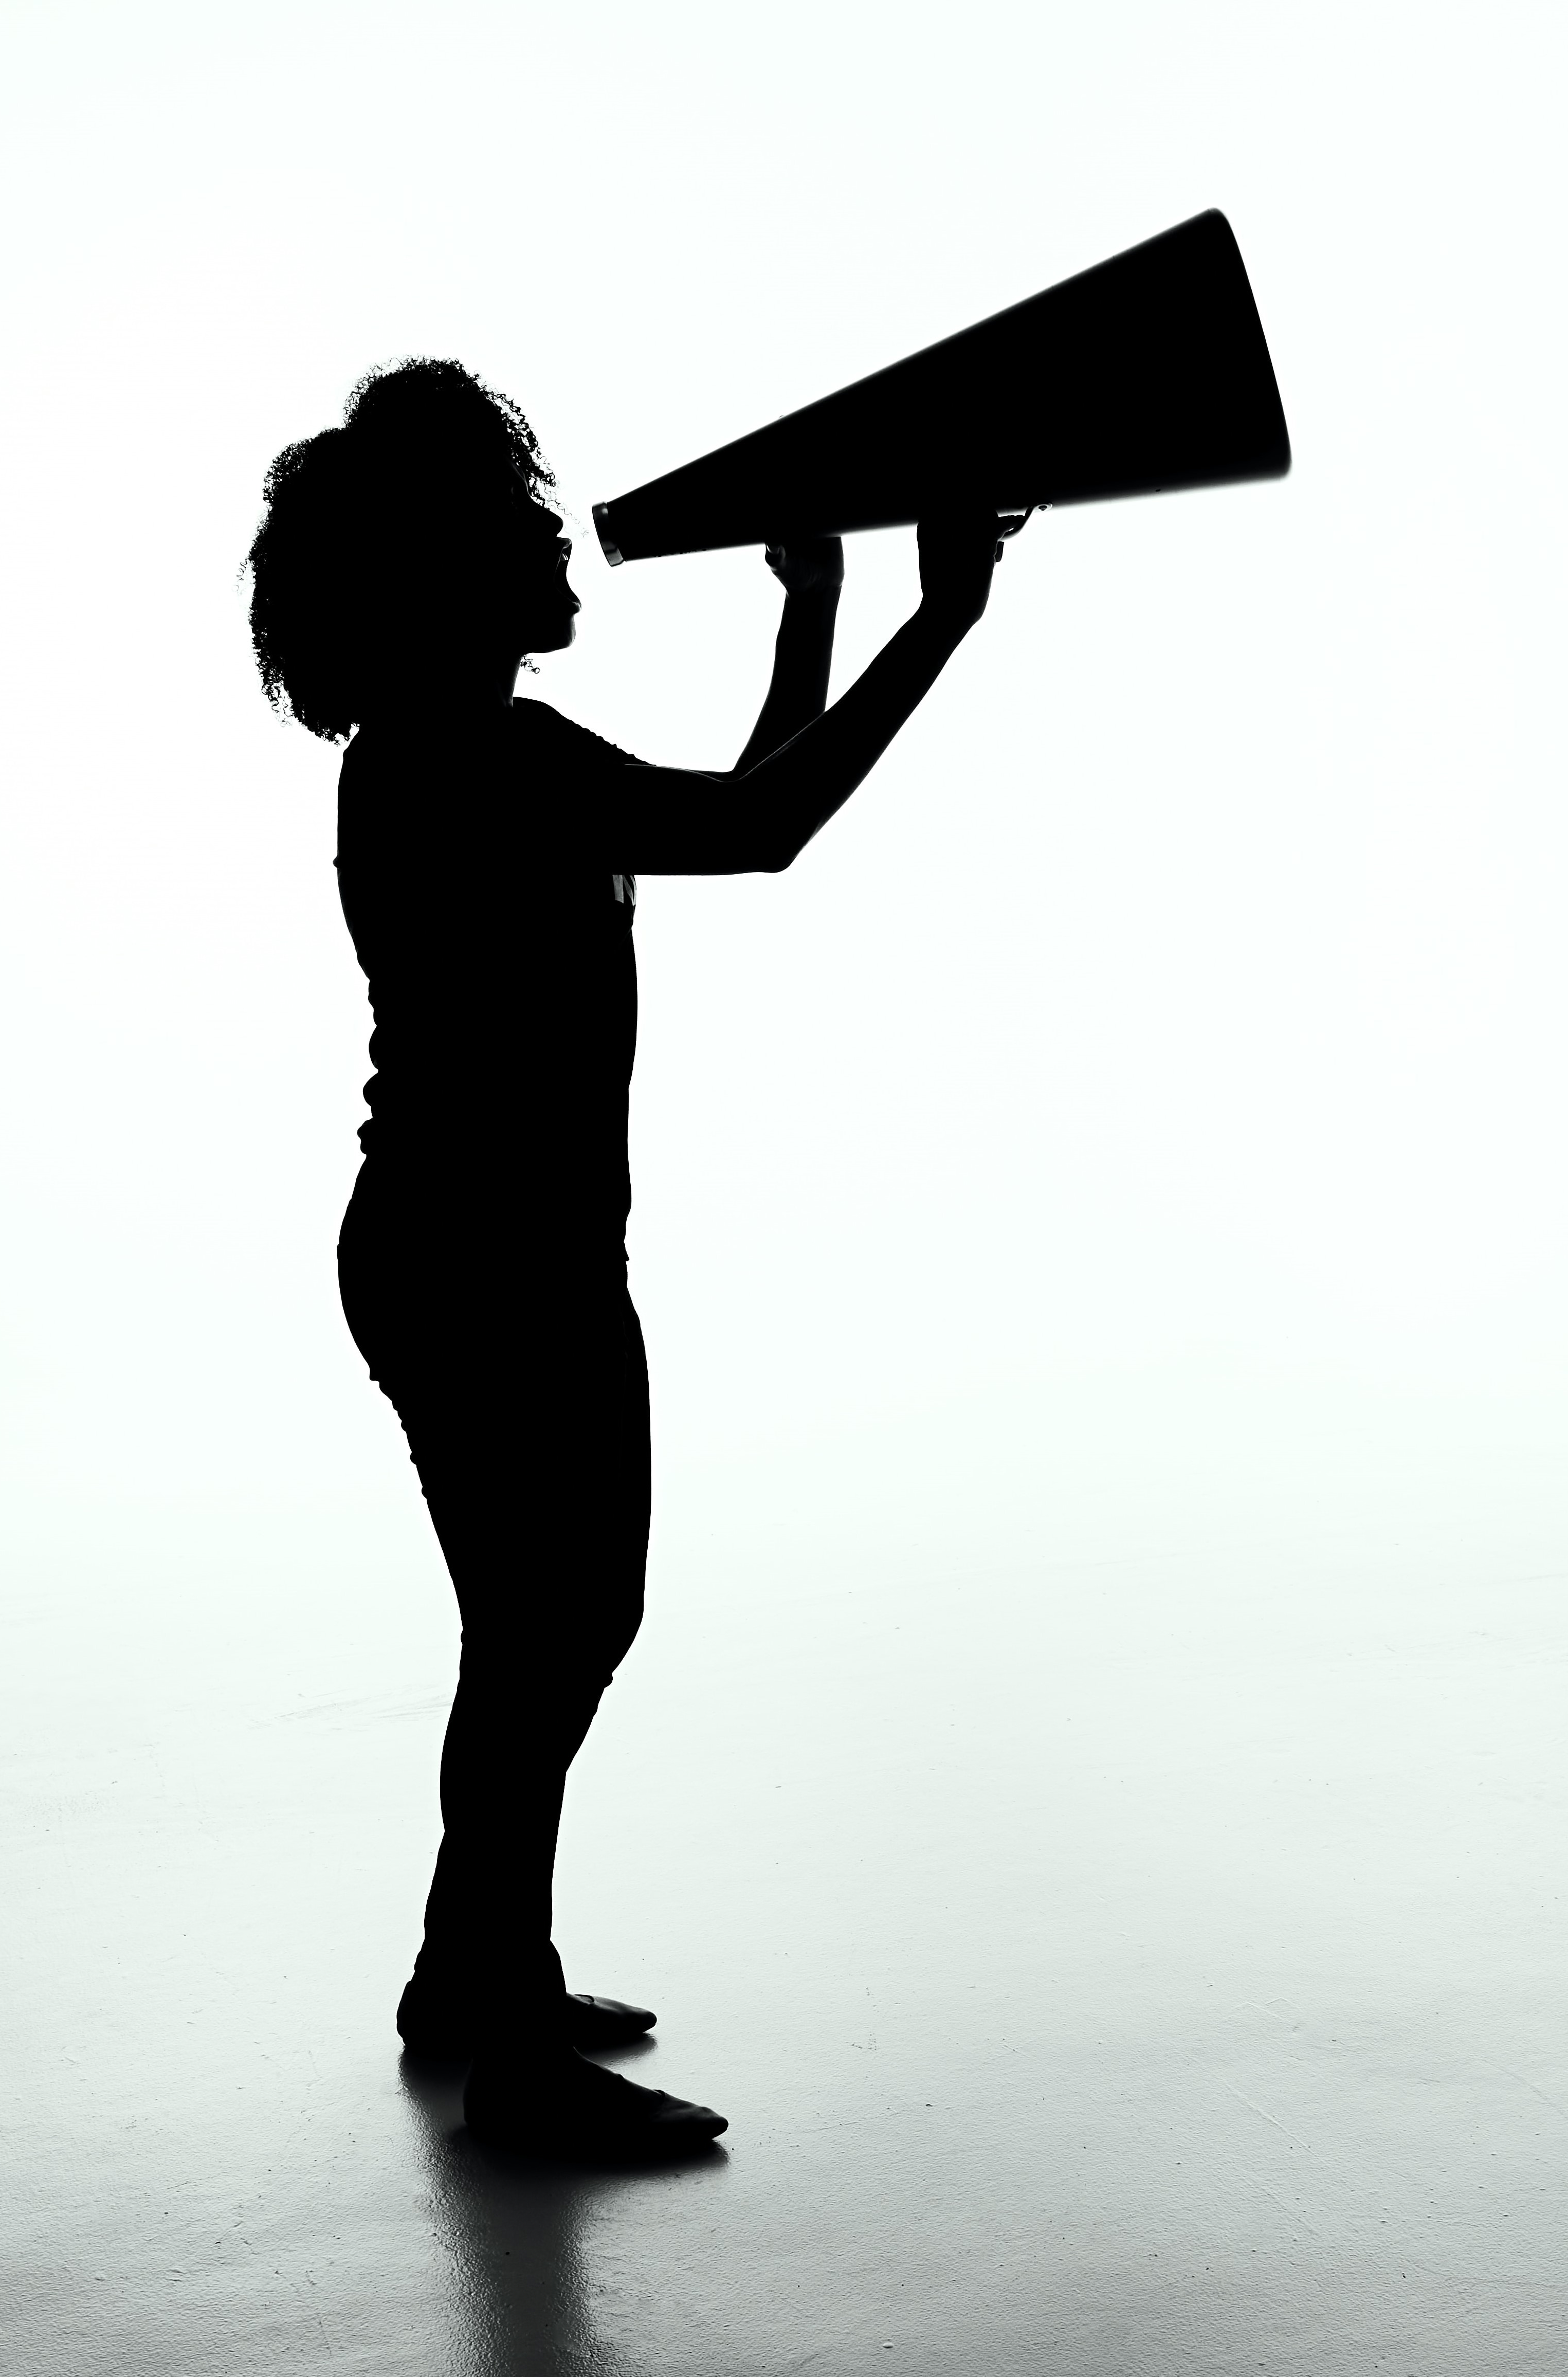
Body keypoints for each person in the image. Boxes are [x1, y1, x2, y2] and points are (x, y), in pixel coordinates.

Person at [246, 359, 1008, 2157]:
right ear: (449, 581)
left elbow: (740, 795)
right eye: (524, 525)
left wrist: (817, 608)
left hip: (495, 1252)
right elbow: (765, 830)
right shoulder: (475, 760)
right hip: (485, 1260)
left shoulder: (464, 754)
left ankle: (471, 1974)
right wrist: (942, 616)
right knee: (541, 1635)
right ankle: (505, 2046)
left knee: (561, 1627)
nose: (562, 543)